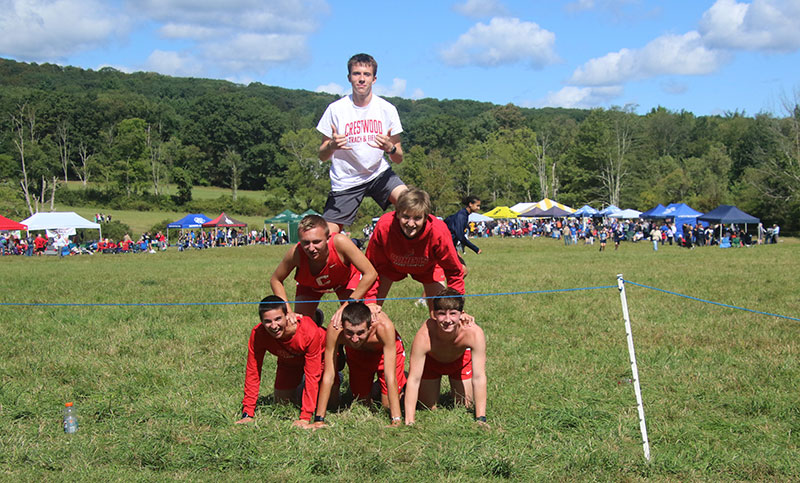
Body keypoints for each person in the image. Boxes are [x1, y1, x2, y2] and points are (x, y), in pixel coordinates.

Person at [316, 53, 407, 235]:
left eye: (366, 74)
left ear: (374, 79)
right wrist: (332, 146)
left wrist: (391, 148)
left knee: (413, 204)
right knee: (325, 236)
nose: (361, 79)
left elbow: (398, 158)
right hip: (346, 180)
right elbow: (322, 155)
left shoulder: (387, 109)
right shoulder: (336, 109)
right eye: (357, 74)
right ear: (349, 78)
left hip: (379, 173)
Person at [236, 295, 332, 428]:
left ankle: (333, 379)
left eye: (278, 319)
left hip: (320, 358)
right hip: (289, 361)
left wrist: (305, 417)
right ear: (261, 322)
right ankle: (300, 389)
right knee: (282, 403)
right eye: (268, 321)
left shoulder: (308, 332)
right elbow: (253, 371)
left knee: (332, 402)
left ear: (287, 315)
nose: (274, 326)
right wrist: (248, 413)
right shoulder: (258, 334)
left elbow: (312, 374)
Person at [365, 188, 465, 309]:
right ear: (397, 213)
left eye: (417, 218)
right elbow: (371, 266)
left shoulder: (438, 231)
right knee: (370, 313)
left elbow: (453, 271)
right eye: (406, 217)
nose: (411, 224)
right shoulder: (384, 226)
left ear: (426, 217)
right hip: (389, 267)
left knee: (442, 316)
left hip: (428, 269)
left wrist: (457, 308)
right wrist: (370, 300)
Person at [270, 215, 378, 324]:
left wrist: (348, 304)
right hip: (310, 285)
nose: (311, 248)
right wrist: (288, 311)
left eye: (316, 242)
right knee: (299, 324)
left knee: (353, 319)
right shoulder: (296, 253)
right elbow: (276, 280)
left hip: (345, 281)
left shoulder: (340, 242)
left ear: (328, 238)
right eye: (305, 243)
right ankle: (315, 318)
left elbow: (370, 273)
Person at [313, 302, 405, 427]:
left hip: (384, 355)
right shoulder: (335, 329)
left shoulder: (384, 327)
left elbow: (390, 375)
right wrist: (319, 420)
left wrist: (396, 419)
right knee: (361, 403)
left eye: (360, 333)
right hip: (358, 355)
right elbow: (329, 374)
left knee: (387, 406)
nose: (355, 338)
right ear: (342, 326)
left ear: (370, 326)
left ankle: (403, 381)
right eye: (349, 333)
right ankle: (375, 387)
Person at [404, 288, 487, 426]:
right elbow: (414, 379)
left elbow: (479, 377)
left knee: (464, 406)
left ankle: (455, 388)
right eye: (442, 314)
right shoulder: (424, 335)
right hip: (432, 363)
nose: (448, 320)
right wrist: (409, 421)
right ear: (434, 314)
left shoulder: (473, 333)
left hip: (459, 362)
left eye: (453, 313)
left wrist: (481, 419)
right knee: (426, 408)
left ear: (462, 314)